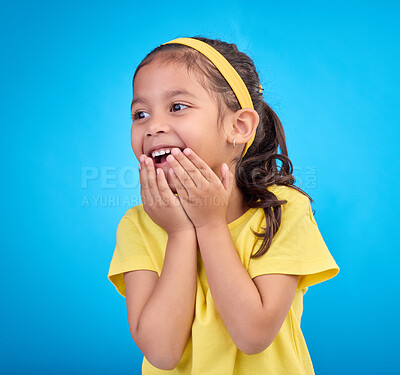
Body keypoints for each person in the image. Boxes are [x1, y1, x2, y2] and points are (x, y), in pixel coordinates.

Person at [107, 36, 340, 374]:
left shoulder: (283, 209)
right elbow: (162, 352)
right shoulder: (138, 225)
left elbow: (252, 334)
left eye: (177, 107)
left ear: (239, 126)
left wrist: (210, 225)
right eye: (140, 113)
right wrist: (181, 233)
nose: (153, 126)